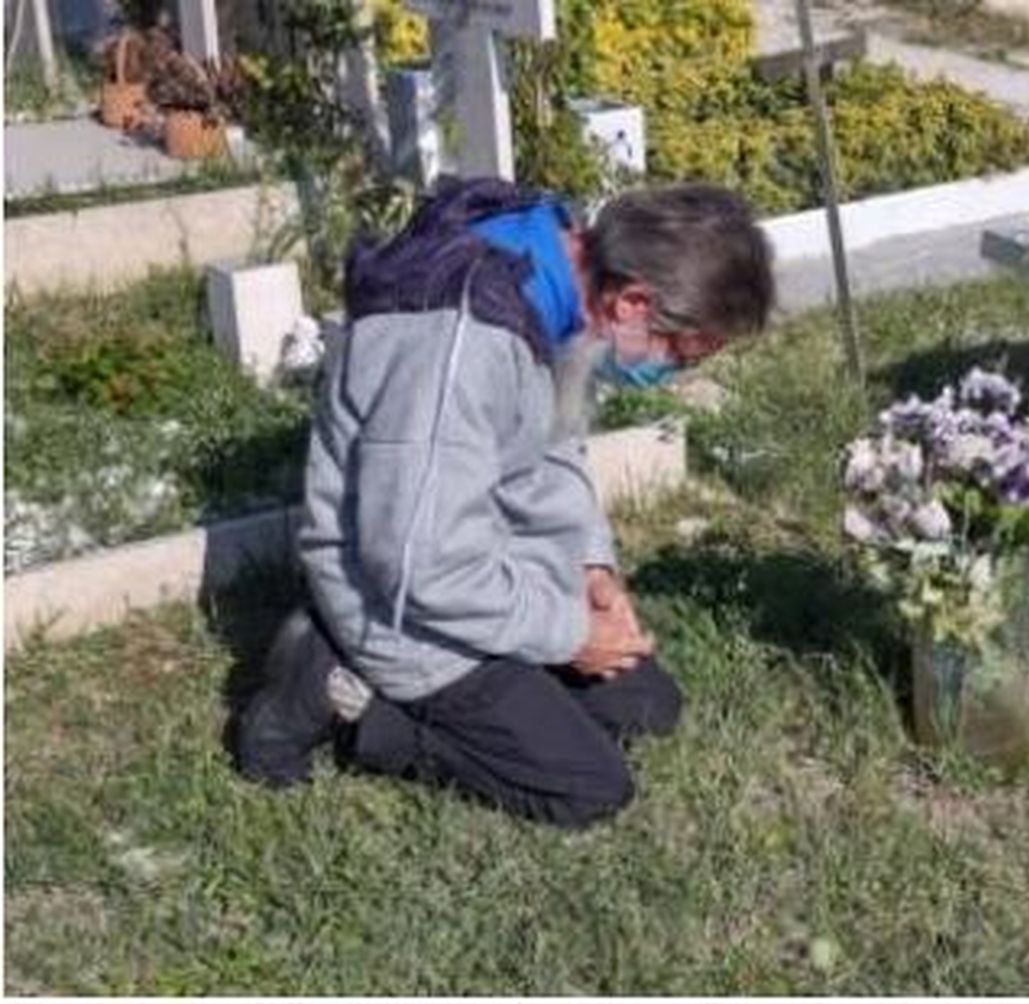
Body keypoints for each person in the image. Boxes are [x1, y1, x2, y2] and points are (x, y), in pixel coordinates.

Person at [232, 177, 775, 828]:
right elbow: (418, 565)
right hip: (397, 605)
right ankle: (341, 693)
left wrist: (588, 566)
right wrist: (569, 635)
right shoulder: (458, 346)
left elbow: (554, 446)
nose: (674, 373)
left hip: (478, 563)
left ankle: (489, 682)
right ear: (633, 301)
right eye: (681, 356)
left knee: (645, 708)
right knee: (586, 786)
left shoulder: (560, 277)